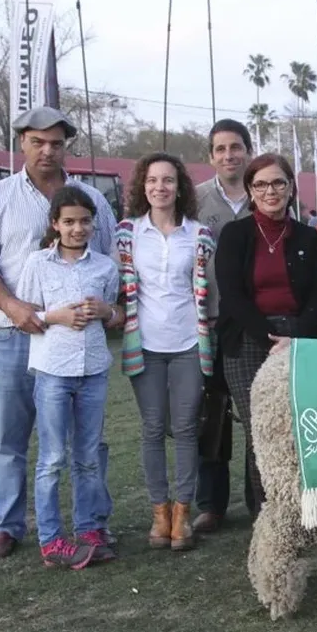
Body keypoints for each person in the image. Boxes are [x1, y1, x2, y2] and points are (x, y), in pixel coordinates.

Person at [0, 106, 117, 561]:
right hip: (15, 335)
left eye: (55, 142)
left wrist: (108, 312)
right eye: (37, 142)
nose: (47, 150)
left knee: (86, 441)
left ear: (66, 144)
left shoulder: (93, 199)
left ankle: (93, 523)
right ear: (22, 143)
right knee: (10, 438)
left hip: (76, 344)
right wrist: (14, 307)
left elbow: (109, 264)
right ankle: (7, 525)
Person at [214, 153, 317, 520]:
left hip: (299, 341)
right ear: (250, 190)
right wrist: (269, 339)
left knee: (302, 426)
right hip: (248, 343)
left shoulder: (309, 237)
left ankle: (301, 507)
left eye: (278, 182)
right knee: (260, 431)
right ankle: (264, 512)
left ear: (291, 187)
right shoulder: (236, 234)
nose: (270, 190)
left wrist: (295, 335)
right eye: (261, 184)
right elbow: (232, 296)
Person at [15, 187, 123, 568]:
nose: (78, 229)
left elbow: (115, 317)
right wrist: (54, 316)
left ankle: (89, 527)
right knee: (52, 457)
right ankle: (50, 539)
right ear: (55, 225)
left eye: (85, 221)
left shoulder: (105, 268)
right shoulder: (37, 265)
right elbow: (26, 316)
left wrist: (107, 311)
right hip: (53, 371)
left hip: (93, 369)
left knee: (89, 455)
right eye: (70, 221)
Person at [117, 152, 216, 552]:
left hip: (188, 344)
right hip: (145, 346)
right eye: (153, 180)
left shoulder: (199, 235)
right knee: (153, 429)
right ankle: (159, 513)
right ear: (143, 186)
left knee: (188, 429)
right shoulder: (127, 234)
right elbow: (120, 287)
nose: (160, 187)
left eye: (168, 180)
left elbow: (208, 291)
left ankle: (182, 513)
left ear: (180, 187)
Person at [193, 119, 254, 534]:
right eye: (221, 148)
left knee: (258, 416)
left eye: (236, 146)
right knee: (209, 415)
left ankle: (260, 501)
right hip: (206, 322)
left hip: (253, 324)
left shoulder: (267, 191)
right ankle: (212, 505)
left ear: (248, 150)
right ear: (211, 156)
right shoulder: (195, 200)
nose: (229, 155)